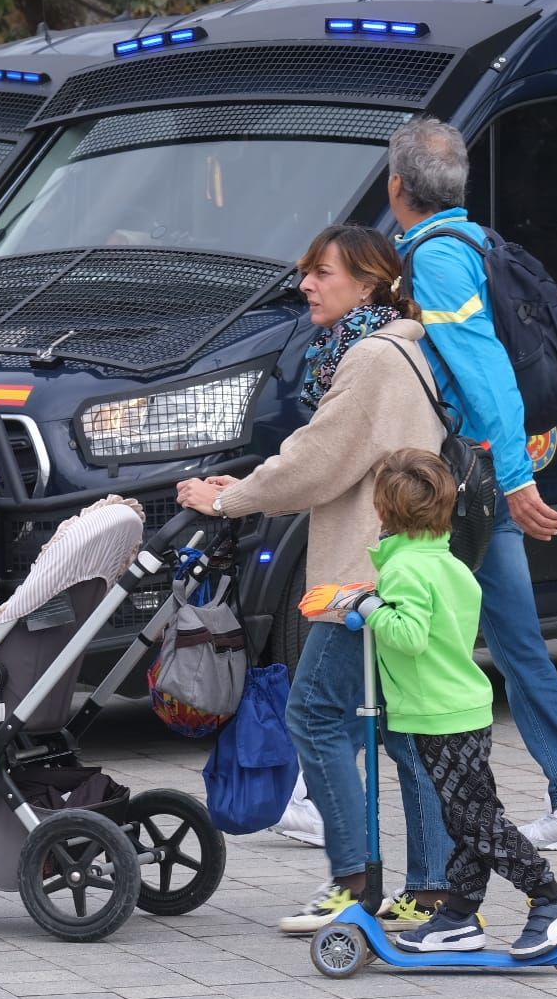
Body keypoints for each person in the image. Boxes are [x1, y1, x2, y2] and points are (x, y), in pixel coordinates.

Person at [174, 224, 443, 933]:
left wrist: (227, 498)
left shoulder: (373, 358)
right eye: (307, 272)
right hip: (396, 567)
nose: (307, 285)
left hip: (363, 575)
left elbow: (319, 458)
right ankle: (433, 889)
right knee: (405, 731)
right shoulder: (393, 346)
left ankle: (355, 880)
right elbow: (333, 450)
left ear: (368, 282)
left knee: (315, 717)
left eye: (323, 273)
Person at [387, 117, 557, 859]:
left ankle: (311, 783)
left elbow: (484, 373)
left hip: (465, 480)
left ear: (397, 187)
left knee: (379, 616)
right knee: (515, 639)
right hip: (488, 474)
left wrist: (514, 480)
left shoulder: (438, 261)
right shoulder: (482, 242)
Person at [360, 448, 557, 957]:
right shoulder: (451, 563)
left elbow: (410, 635)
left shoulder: (403, 572)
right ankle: (460, 916)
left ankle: (549, 896)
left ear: (383, 512)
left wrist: (369, 606)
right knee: (464, 815)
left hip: (436, 713)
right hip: (463, 707)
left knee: (476, 820)